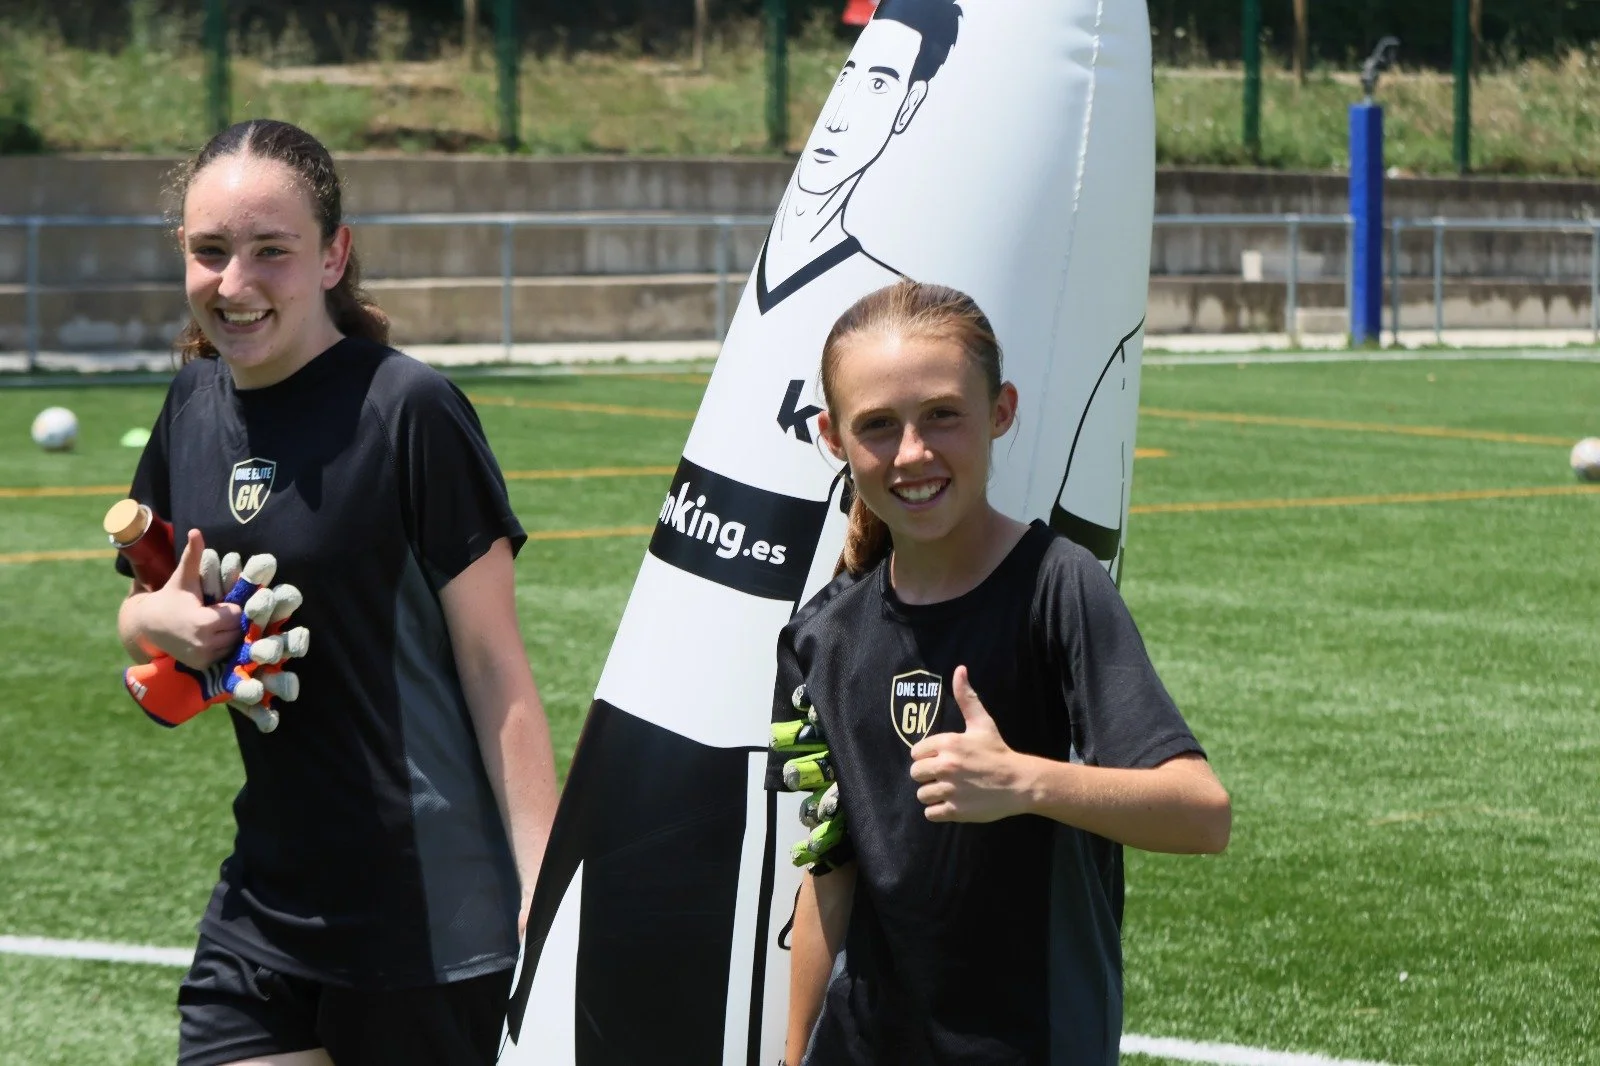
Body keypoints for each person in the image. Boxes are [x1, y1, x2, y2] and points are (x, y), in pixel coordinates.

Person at [113, 118, 559, 1066]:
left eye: (272, 251)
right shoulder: (193, 403)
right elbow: (144, 606)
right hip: (267, 899)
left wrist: (546, 884)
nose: (235, 285)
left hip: (426, 916)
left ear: (333, 257)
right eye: (210, 251)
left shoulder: (408, 411)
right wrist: (159, 624)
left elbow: (496, 668)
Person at [770, 281, 1232, 1065]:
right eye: (878, 426)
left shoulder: (1059, 587)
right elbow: (831, 872)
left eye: (942, 414)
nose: (913, 452)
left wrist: (1023, 782)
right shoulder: (822, 634)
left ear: (1002, 412)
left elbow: (1201, 814)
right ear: (833, 438)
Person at [757, 0, 962, 313]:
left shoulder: (896, 302)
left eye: (878, 84)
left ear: (908, 105)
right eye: (845, 77)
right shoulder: (773, 271)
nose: (835, 121)